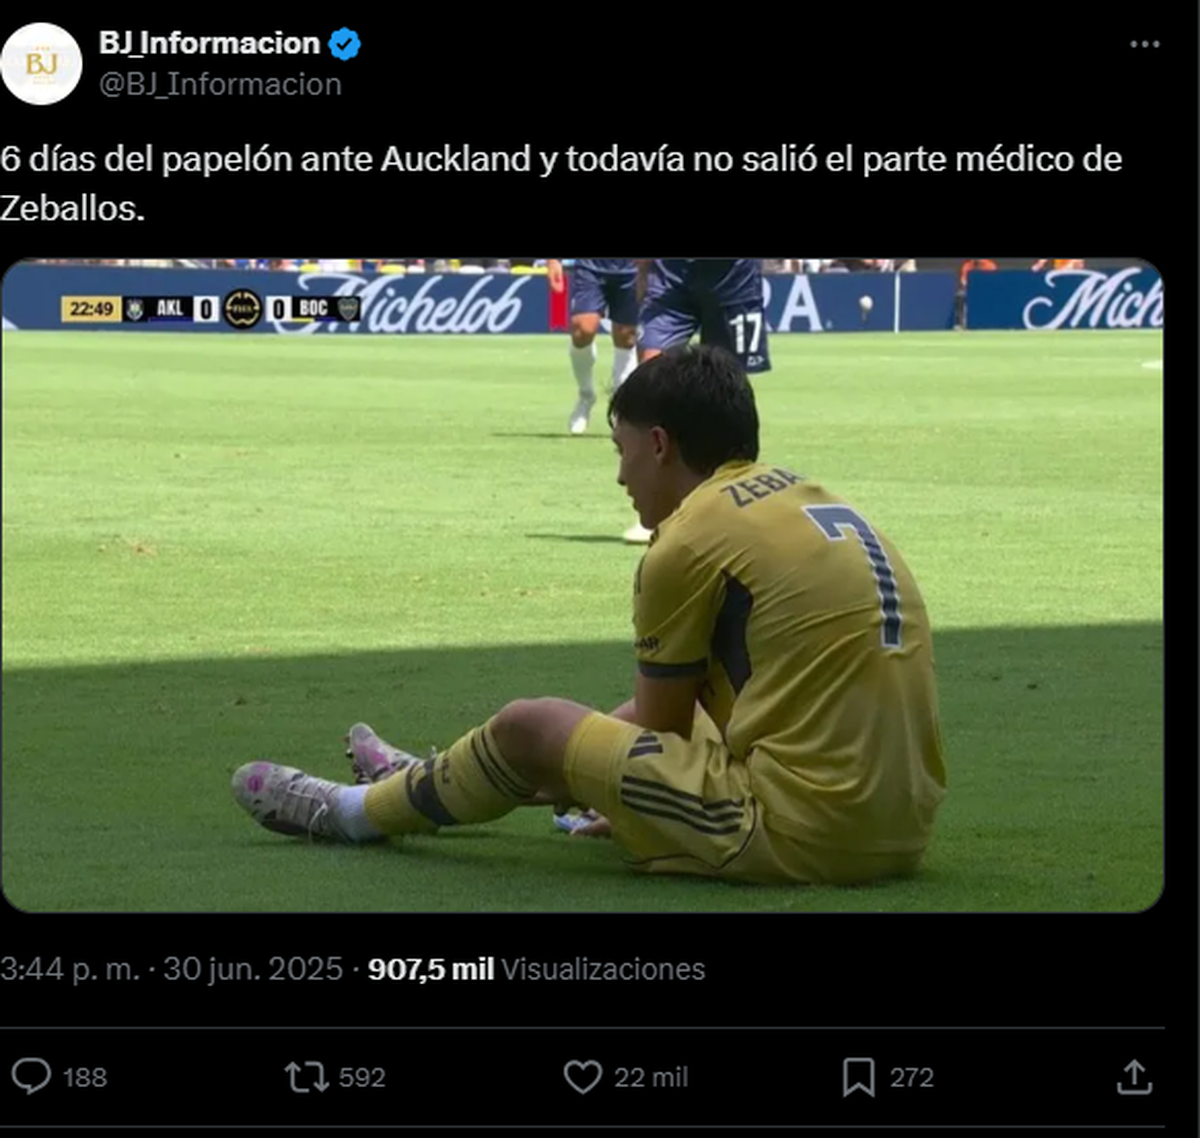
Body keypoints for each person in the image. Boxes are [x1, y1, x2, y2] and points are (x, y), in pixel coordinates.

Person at [231, 345, 947, 886]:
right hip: (902, 824)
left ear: (659, 445)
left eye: (622, 450)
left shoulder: (688, 539)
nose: (620, 475)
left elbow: (659, 728)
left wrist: (598, 776)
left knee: (531, 726)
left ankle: (352, 813)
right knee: (622, 727)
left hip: (807, 835)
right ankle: (430, 781)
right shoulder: (809, 498)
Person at [621, 258, 772, 542]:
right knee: (652, 374)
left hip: (732, 276)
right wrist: (643, 267)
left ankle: (732, 503)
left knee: (727, 391)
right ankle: (659, 508)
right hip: (671, 275)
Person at [545, 259, 639, 435]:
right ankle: (586, 394)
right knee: (582, 329)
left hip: (633, 268)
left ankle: (621, 404)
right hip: (590, 266)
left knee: (626, 335)